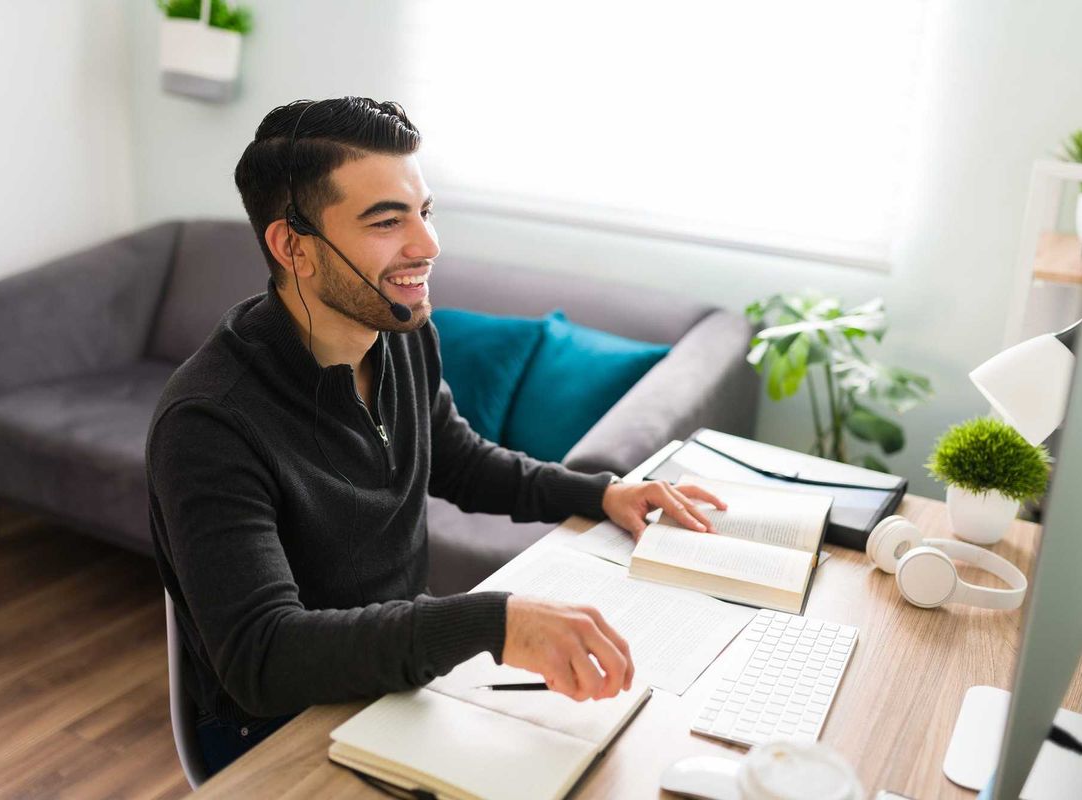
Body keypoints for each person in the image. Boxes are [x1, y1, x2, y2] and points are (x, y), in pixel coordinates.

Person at [146, 97, 725, 774]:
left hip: (397, 679)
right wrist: (491, 622)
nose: (426, 245)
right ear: (292, 246)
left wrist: (605, 495)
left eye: (424, 212)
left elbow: (456, 459)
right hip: (279, 735)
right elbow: (263, 658)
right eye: (388, 222)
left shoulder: (402, 334)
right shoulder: (210, 421)